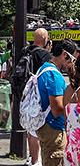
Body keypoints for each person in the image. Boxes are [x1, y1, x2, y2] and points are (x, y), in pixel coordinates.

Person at [36, 39, 76, 166]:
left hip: (45, 125)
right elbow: (57, 108)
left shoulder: (44, 68)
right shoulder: (54, 75)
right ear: (65, 55)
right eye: (71, 59)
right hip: (53, 129)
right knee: (54, 160)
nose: (71, 64)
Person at [25, 28, 52, 166]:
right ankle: (36, 161)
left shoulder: (26, 51)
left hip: (26, 94)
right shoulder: (43, 55)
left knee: (30, 129)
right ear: (45, 39)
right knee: (38, 129)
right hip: (38, 94)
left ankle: (32, 157)